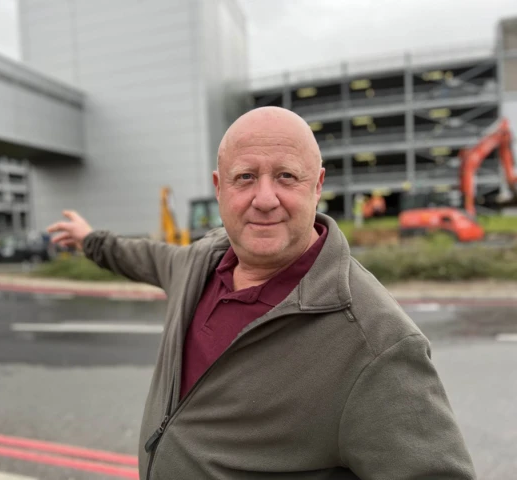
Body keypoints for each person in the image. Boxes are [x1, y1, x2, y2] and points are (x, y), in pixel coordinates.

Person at [47, 106, 476, 479]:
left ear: (318, 185)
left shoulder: (375, 343)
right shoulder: (199, 263)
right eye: (245, 177)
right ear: (219, 188)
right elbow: (142, 256)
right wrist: (90, 240)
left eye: (286, 176)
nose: (265, 198)